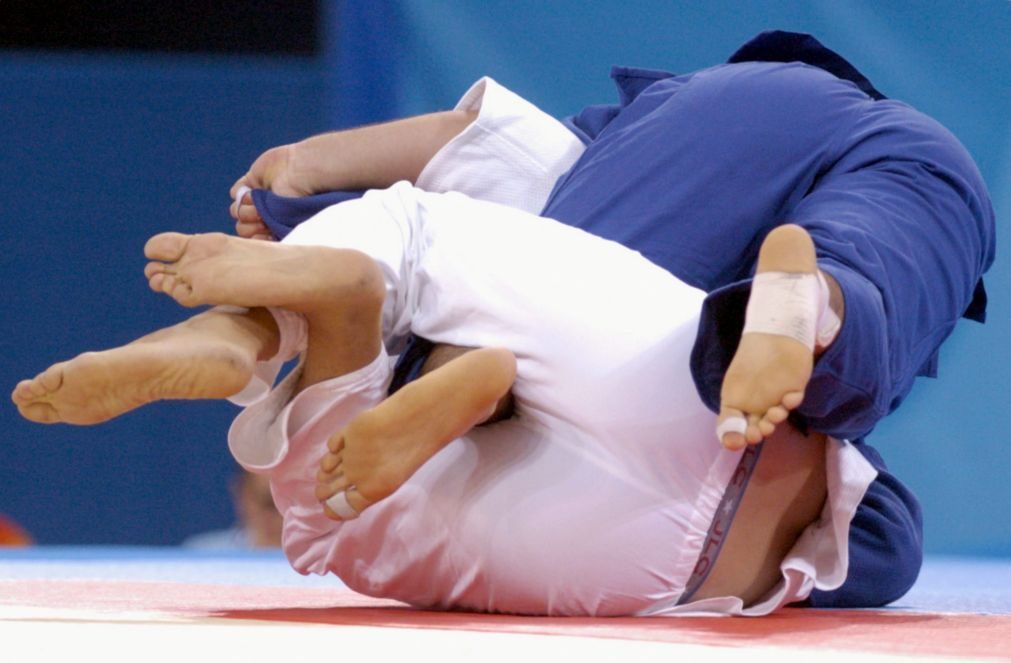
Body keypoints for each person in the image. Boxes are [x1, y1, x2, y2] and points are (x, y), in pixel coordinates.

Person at [229, 31, 995, 607]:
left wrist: (300, 174)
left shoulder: (662, 107)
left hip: (689, 158)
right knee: (871, 273)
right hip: (915, 176)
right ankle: (816, 301)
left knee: (551, 290)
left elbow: (474, 148)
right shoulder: (903, 144)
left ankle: (474, 381)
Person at [12, 181, 876, 616]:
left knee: (412, 231)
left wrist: (316, 176)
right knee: (415, 228)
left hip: (646, 471)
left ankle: (265, 331)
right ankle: (805, 310)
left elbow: (464, 136)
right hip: (694, 462)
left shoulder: (594, 166)